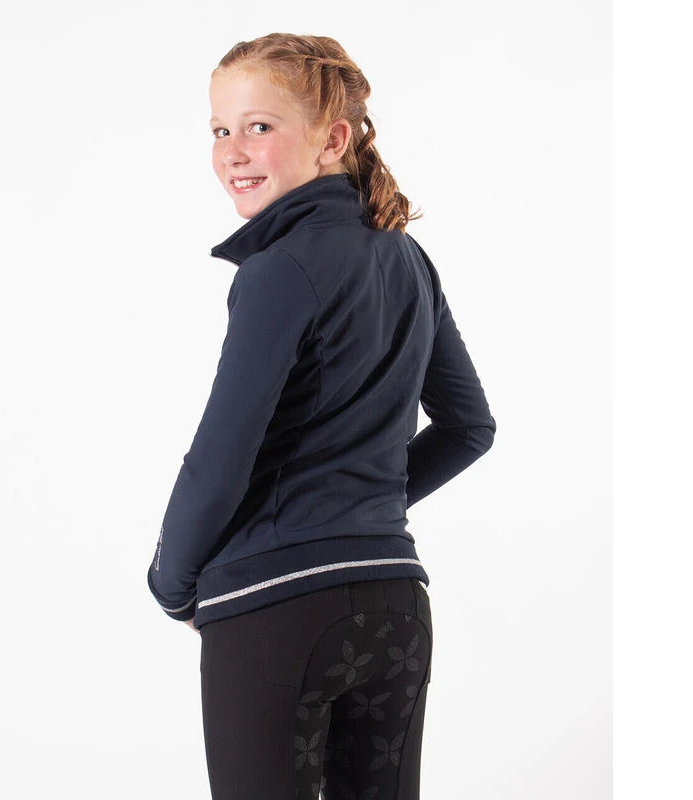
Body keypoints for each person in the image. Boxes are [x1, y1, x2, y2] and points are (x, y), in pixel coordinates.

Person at [146, 32, 496, 800]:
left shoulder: (278, 270)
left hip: (279, 614)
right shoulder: (407, 259)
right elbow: (470, 427)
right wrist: (360, 509)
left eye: (259, 126)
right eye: (219, 129)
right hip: (395, 608)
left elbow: (220, 460)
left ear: (332, 139)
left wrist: (171, 583)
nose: (232, 151)